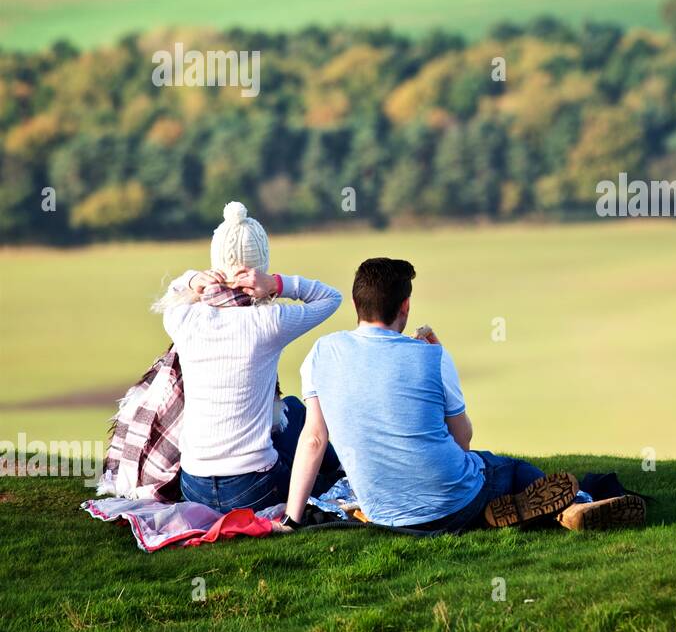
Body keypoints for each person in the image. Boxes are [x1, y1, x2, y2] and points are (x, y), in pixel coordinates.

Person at [282, 257, 583, 532]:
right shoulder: (434, 358)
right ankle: (577, 507)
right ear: (405, 306)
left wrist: (292, 520)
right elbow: (462, 441)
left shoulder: (321, 353)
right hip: (455, 505)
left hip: (385, 515)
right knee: (510, 469)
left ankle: (510, 512)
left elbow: (314, 439)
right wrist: (438, 359)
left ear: (355, 302)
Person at [159, 201, 344, 512]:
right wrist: (277, 284)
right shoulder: (268, 322)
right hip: (252, 489)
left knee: (292, 410)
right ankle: (338, 472)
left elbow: (176, 288)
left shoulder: (183, 318)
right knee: (301, 422)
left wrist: (194, 280)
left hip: (193, 485)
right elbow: (331, 298)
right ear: (262, 265)